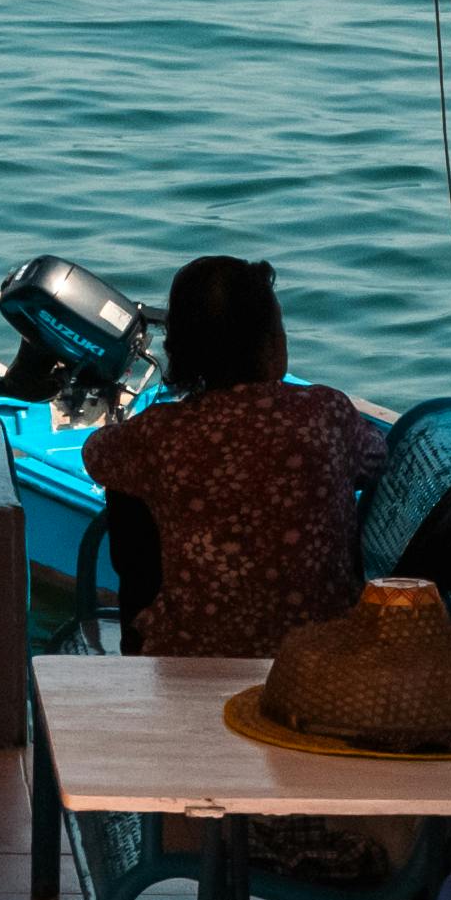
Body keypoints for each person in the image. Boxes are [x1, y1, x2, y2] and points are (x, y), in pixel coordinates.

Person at [82, 256, 386, 657]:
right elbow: (376, 459)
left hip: (192, 655)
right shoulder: (325, 413)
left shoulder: (160, 434)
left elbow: (96, 455)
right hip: (322, 661)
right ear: (267, 341)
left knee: (130, 492)